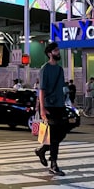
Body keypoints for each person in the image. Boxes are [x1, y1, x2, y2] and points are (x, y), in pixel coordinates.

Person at [35, 41, 70, 176]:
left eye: (58, 50)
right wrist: (42, 109)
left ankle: (42, 150)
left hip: (60, 105)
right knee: (55, 136)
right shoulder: (45, 69)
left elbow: (62, 88)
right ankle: (53, 164)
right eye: (55, 51)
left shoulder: (60, 69)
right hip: (49, 105)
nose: (58, 52)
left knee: (63, 131)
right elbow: (42, 90)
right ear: (50, 54)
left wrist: (68, 103)